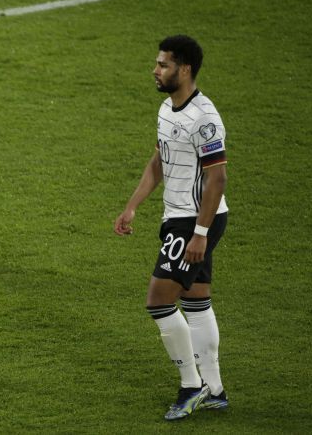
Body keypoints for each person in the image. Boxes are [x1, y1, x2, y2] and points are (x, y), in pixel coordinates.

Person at [114, 35, 229, 420]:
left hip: (195, 219)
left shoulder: (205, 118)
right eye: (157, 63)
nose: (155, 70)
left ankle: (191, 386)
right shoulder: (167, 109)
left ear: (185, 69)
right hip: (177, 217)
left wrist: (199, 232)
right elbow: (159, 161)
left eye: (163, 65)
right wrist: (132, 206)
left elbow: (218, 179)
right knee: (196, 301)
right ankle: (214, 389)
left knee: (159, 299)